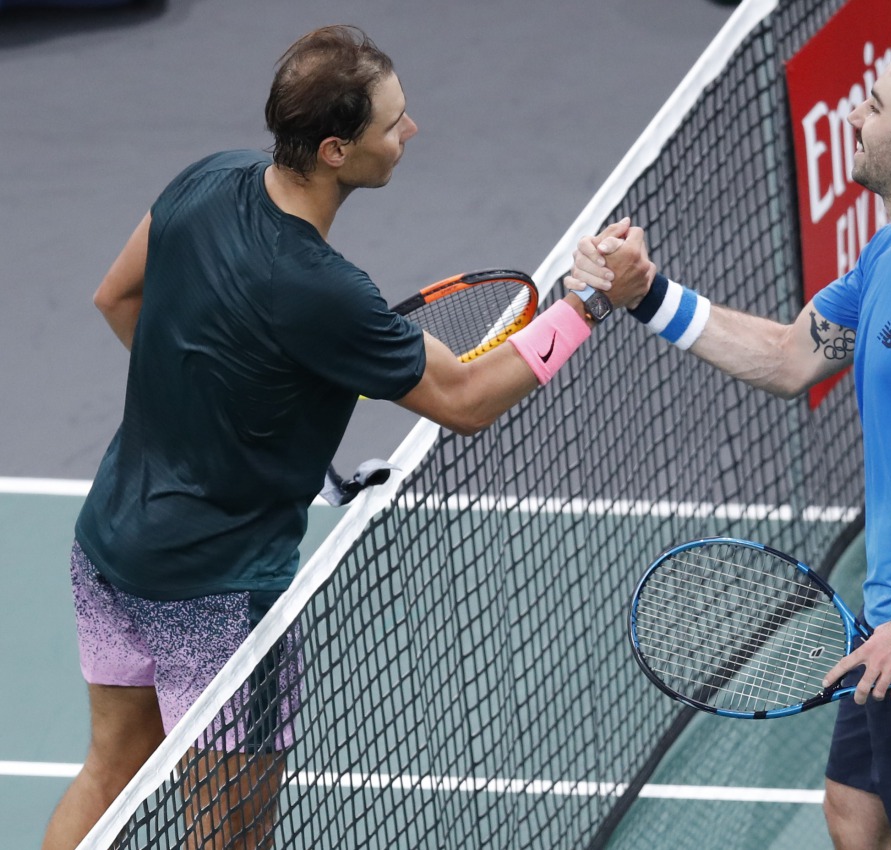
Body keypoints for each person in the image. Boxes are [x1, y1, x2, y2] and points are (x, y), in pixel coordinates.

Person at [44, 25, 651, 850]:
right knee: (229, 842)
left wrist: (218, 419)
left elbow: (117, 298)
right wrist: (590, 305)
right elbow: (466, 399)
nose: (411, 130)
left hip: (108, 546)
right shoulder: (323, 292)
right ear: (335, 150)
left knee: (109, 776)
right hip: (215, 594)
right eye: (393, 123)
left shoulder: (206, 180)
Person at [567, 27, 891, 850]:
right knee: (853, 810)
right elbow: (787, 357)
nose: (852, 119)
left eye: (873, 107)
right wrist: (647, 293)